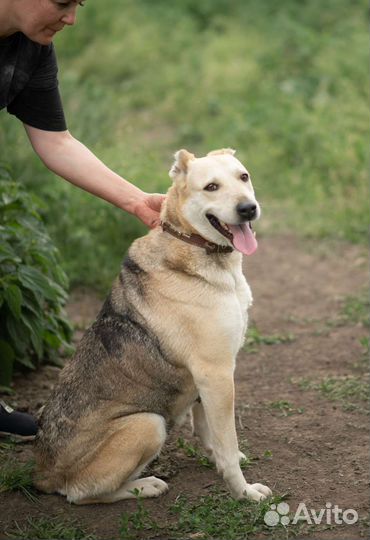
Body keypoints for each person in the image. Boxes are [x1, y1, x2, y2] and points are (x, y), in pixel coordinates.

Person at [0, 0, 165, 440]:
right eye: (61, 2)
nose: (71, 18)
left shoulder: (31, 48)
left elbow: (55, 140)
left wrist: (136, 202)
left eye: (78, 4)